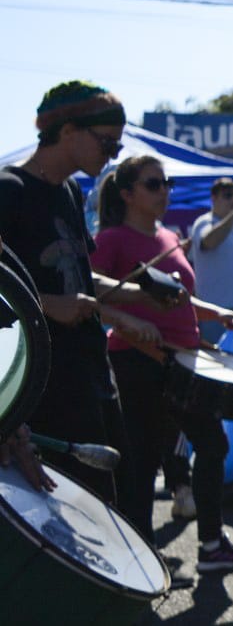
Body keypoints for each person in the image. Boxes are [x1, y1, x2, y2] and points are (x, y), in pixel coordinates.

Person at [92, 155, 233, 570]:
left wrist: (214, 312)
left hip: (186, 362)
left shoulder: (169, 236)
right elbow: (91, 294)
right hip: (139, 362)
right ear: (128, 193)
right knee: (144, 460)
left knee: (211, 444)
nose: (164, 190)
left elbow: (178, 298)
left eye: (166, 182)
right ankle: (143, 558)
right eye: (154, 184)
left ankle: (211, 545)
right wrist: (129, 323)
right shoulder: (111, 239)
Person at [0, 81, 160, 501]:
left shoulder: (70, 192)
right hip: (40, 392)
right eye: (107, 143)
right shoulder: (8, 190)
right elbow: (35, 295)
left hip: (91, 377)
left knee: (119, 504)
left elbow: (81, 279)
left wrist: (143, 296)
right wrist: (48, 305)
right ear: (68, 131)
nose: (113, 156)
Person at [187, 177, 233, 345]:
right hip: (214, 312)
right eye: (227, 195)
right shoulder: (204, 222)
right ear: (213, 198)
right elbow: (208, 242)